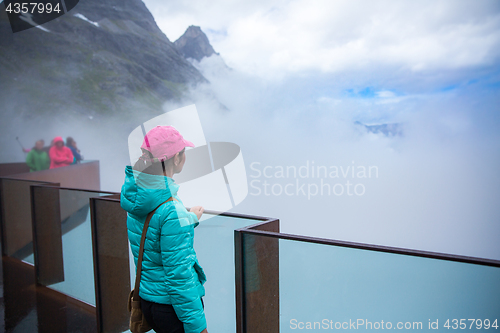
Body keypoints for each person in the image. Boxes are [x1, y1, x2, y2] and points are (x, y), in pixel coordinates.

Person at [121, 125, 208, 333]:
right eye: (183, 153)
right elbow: (179, 276)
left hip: (147, 300)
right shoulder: (171, 210)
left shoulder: (139, 198)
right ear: (176, 158)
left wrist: (188, 219)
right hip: (171, 309)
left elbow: (154, 234)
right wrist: (198, 327)